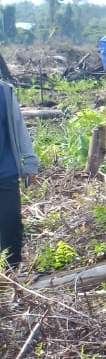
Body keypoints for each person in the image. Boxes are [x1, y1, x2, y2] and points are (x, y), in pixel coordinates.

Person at [0, 76, 39, 268]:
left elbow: (18, 126)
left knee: (10, 224)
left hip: (5, 172)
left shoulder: (4, 92)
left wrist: (30, 161)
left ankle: (11, 274)